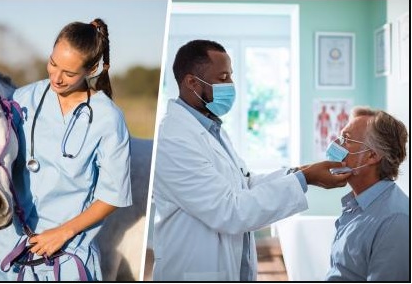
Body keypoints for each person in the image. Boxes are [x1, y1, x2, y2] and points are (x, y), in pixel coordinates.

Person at [152, 39, 351, 281]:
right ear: (192, 82)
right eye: (223, 78)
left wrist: (301, 172)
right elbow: (230, 211)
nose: (231, 85)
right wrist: (305, 178)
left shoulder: (211, 129)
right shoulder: (174, 138)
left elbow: (244, 185)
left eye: (231, 76)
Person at [0, 19, 131, 281]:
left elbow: (113, 195)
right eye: (53, 63)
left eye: (68, 73)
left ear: (91, 70)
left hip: (68, 257)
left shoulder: (108, 119)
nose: (56, 77)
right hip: (10, 251)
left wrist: (63, 233)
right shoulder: (21, 100)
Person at [325, 107, 409, 281]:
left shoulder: (396, 220)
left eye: (346, 139)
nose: (336, 143)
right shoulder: (355, 205)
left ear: (372, 155)